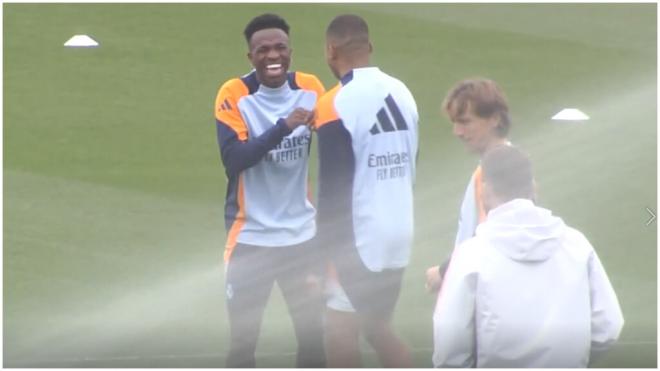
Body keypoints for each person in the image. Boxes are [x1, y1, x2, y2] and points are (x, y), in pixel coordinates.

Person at [432, 145, 624, 367]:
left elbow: (449, 350)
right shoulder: (576, 245)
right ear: (533, 187)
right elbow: (608, 327)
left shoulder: (471, 255)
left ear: (484, 190)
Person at [213, 13, 326, 368]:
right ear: (250, 57)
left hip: (302, 238)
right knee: (243, 346)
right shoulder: (234, 94)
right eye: (263, 50)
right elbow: (235, 160)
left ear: (290, 51)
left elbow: (340, 139)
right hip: (251, 240)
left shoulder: (310, 88)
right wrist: (284, 126)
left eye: (279, 48)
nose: (272, 55)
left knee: (312, 341)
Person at [315, 14, 419, 368]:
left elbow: (333, 191)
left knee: (340, 330)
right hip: (400, 234)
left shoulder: (333, 103)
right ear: (369, 47)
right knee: (377, 328)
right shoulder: (403, 93)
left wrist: (321, 258)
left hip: (359, 239)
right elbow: (410, 162)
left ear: (331, 51)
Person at [425, 78, 512, 293]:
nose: (457, 131)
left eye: (465, 122)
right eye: (455, 123)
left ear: (494, 119)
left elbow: (491, 237)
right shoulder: (497, 166)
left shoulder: (495, 173)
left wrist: (443, 273)